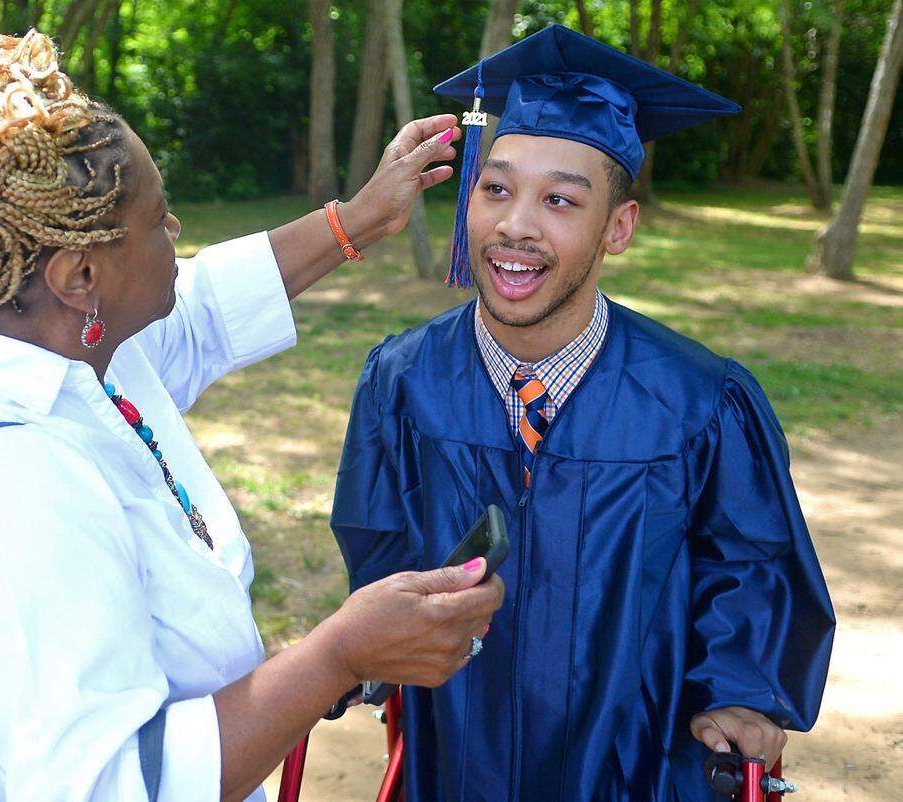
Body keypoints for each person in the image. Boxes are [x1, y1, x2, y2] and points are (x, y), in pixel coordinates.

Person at [0, 31, 505, 802]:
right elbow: (107, 786)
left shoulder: (54, 341)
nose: (175, 234)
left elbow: (200, 309)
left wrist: (356, 220)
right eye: (157, 219)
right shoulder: (9, 490)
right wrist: (336, 657)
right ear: (81, 276)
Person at [331, 24, 835, 801]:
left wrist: (741, 689)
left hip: (637, 762)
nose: (516, 224)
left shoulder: (701, 401)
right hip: (455, 756)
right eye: (495, 188)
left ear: (619, 227)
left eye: (560, 200)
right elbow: (378, 545)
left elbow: (749, 561)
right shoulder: (401, 382)